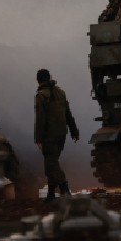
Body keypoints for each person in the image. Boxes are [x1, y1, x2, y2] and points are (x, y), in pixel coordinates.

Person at [34, 68, 80, 202]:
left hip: (49, 136)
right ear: (49, 78)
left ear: (38, 80)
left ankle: (64, 189)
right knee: (50, 163)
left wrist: (38, 138)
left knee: (52, 163)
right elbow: (68, 114)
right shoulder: (61, 92)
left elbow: (40, 120)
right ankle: (50, 194)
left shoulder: (41, 96)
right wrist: (74, 131)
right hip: (61, 135)